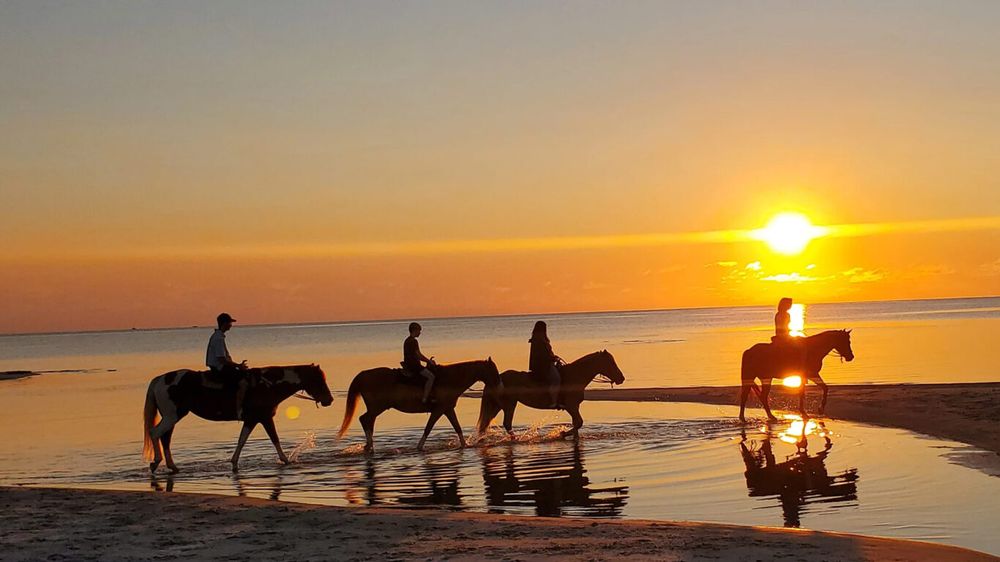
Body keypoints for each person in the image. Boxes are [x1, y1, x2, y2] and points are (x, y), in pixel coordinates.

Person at [206, 312, 249, 420]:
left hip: (220, 367)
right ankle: (238, 408)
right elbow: (222, 359)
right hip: (220, 368)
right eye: (230, 322)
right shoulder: (218, 338)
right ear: (224, 323)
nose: (231, 325)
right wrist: (238, 366)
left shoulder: (218, 336)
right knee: (242, 382)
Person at [529, 320, 562, 408]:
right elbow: (542, 355)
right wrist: (552, 358)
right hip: (543, 365)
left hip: (545, 363)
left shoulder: (539, 338)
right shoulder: (539, 339)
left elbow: (546, 353)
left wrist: (553, 357)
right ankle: (553, 401)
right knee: (556, 379)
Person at [403, 322, 436, 404]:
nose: (420, 333)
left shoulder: (407, 340)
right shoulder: (413, 341)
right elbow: (418, 355)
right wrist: (429, 361)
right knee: (431, 377)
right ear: (414, 330)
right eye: (419, 331)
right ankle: (425, 398)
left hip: (409, 365)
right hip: (414, 366)